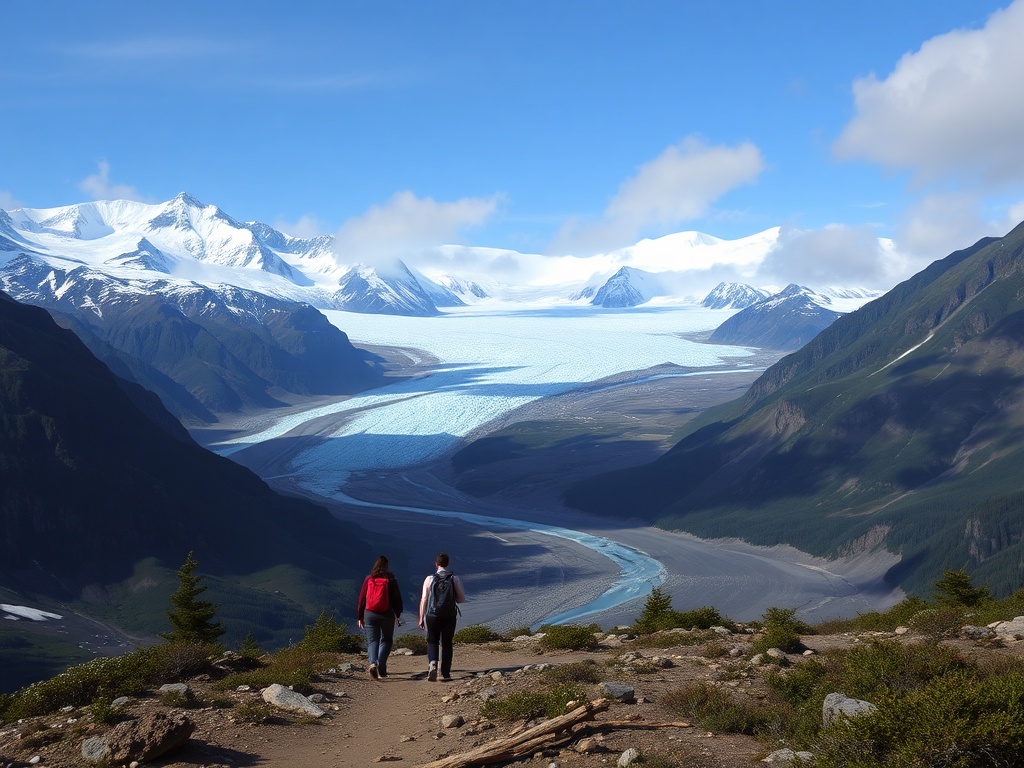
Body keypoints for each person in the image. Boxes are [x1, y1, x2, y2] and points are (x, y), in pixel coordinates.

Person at [418, 552, 466, 681]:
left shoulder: (429, 579)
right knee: (447, 643)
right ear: (447, 563)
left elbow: (424, 599)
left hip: (432, 615)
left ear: (436, 564)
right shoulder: (454, 578)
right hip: (449, 615)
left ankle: (432, 663)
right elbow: (461, 599)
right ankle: (445, 672)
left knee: (432, 640)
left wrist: (421, 617)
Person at [357, 555, 404, 680]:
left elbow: (362, 599)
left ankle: (373, 663)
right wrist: (397, 614)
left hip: (370, 614)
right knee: (387, 640)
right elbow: (397, 599)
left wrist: (360, 616)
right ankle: (381, 665)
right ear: (387, 566)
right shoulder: (391, 579)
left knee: (372, 641)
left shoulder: (369, 579)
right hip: (387, 614)